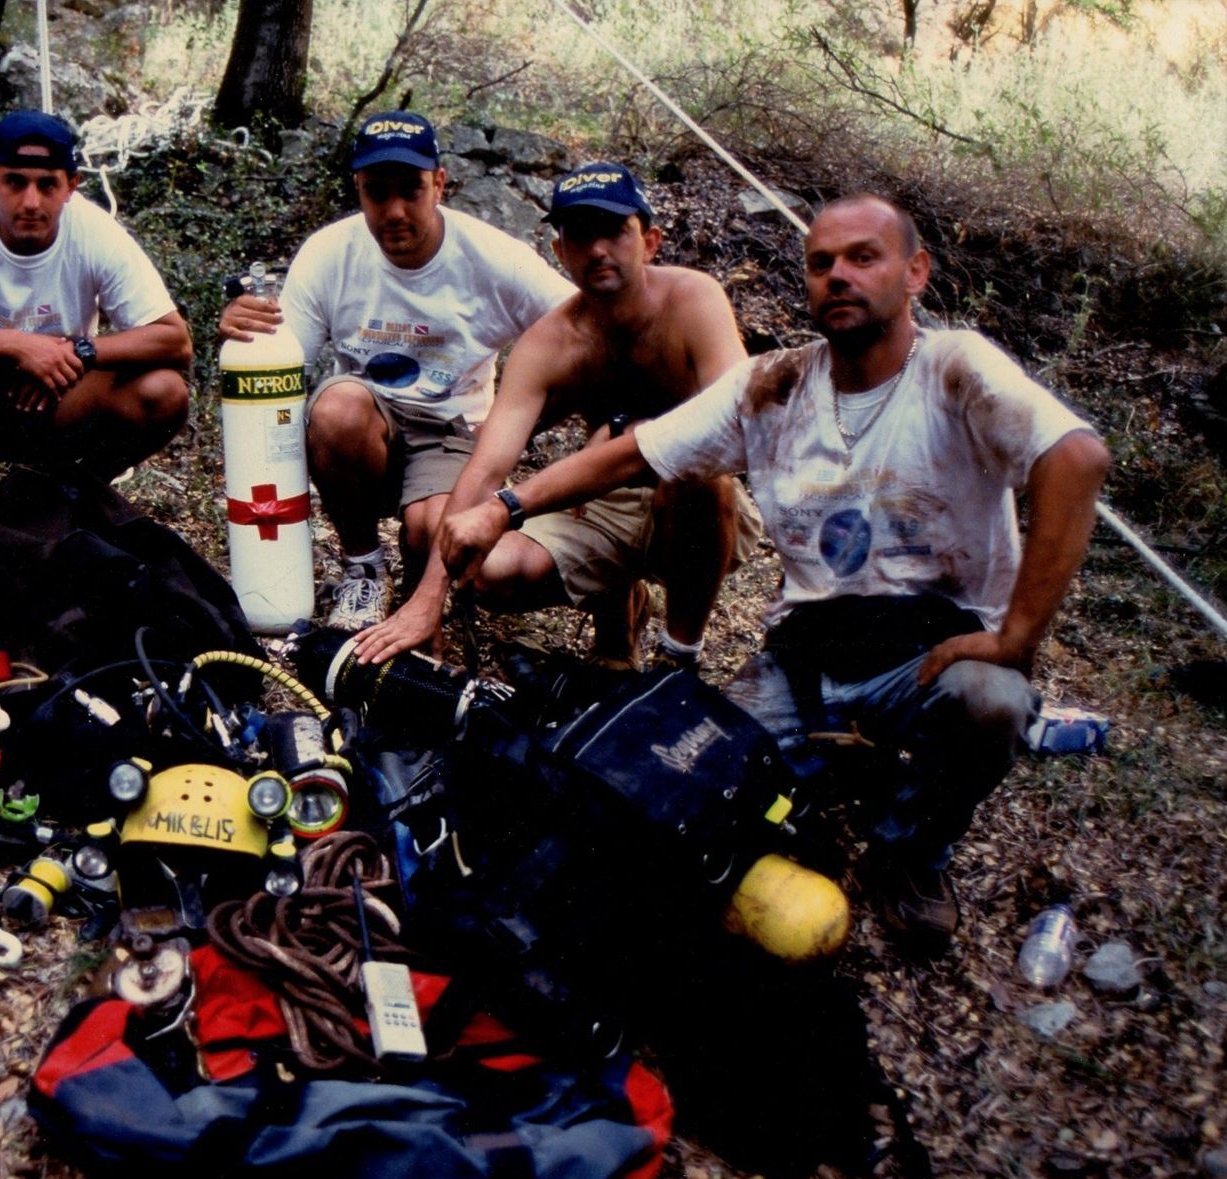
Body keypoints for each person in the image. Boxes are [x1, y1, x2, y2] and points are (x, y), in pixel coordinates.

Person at [439, 193, 1110, 950]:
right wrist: (506, 505)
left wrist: (1017, 635)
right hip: (806, 660)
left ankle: (914, 854)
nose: (839, 276)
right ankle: (840, 767)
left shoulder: (955, 368)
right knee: (689, 777)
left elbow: (1076, 458)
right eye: (821, 263)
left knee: (992, 700)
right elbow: (633, 454)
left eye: (863, 257)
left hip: (932, 654)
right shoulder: (774, 384)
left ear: (915, 271)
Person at [357, 162, 761, 668]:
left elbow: (734, 422)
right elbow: (485, 469)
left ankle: (679, 656)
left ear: (650, 241)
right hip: (601, 501)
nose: (598, 250)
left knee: (697, 474)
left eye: (614, 232)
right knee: (488, 568)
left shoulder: (694, 299)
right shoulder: (549, 343)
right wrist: (427, 599)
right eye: (581, 236)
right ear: (559, 252)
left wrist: (626, 433)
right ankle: (618, 621)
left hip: (696, 502)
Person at [217, 110, 574, 632]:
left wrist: (519, 425)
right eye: (377, 193)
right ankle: (363, 566)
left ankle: (418, 578)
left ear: (439, 185)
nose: (395, 212)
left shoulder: (493, 257)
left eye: (411, 190)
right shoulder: (330, 252)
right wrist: (246, 333)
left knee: (434, 535)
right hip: (365, 425)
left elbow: (585, 332)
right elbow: (284, 368)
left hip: (450, 428)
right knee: (336, 408)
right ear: (358, 190)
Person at [0, 110, 192, 516]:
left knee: (165, 391)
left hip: (63, 395)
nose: (30, 202)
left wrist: (77, 352)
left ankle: (78, 492)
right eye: (15, 182)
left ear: (71, 185)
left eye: (47, 185)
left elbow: (174, 340)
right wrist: (14, 345)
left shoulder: (94, 230)